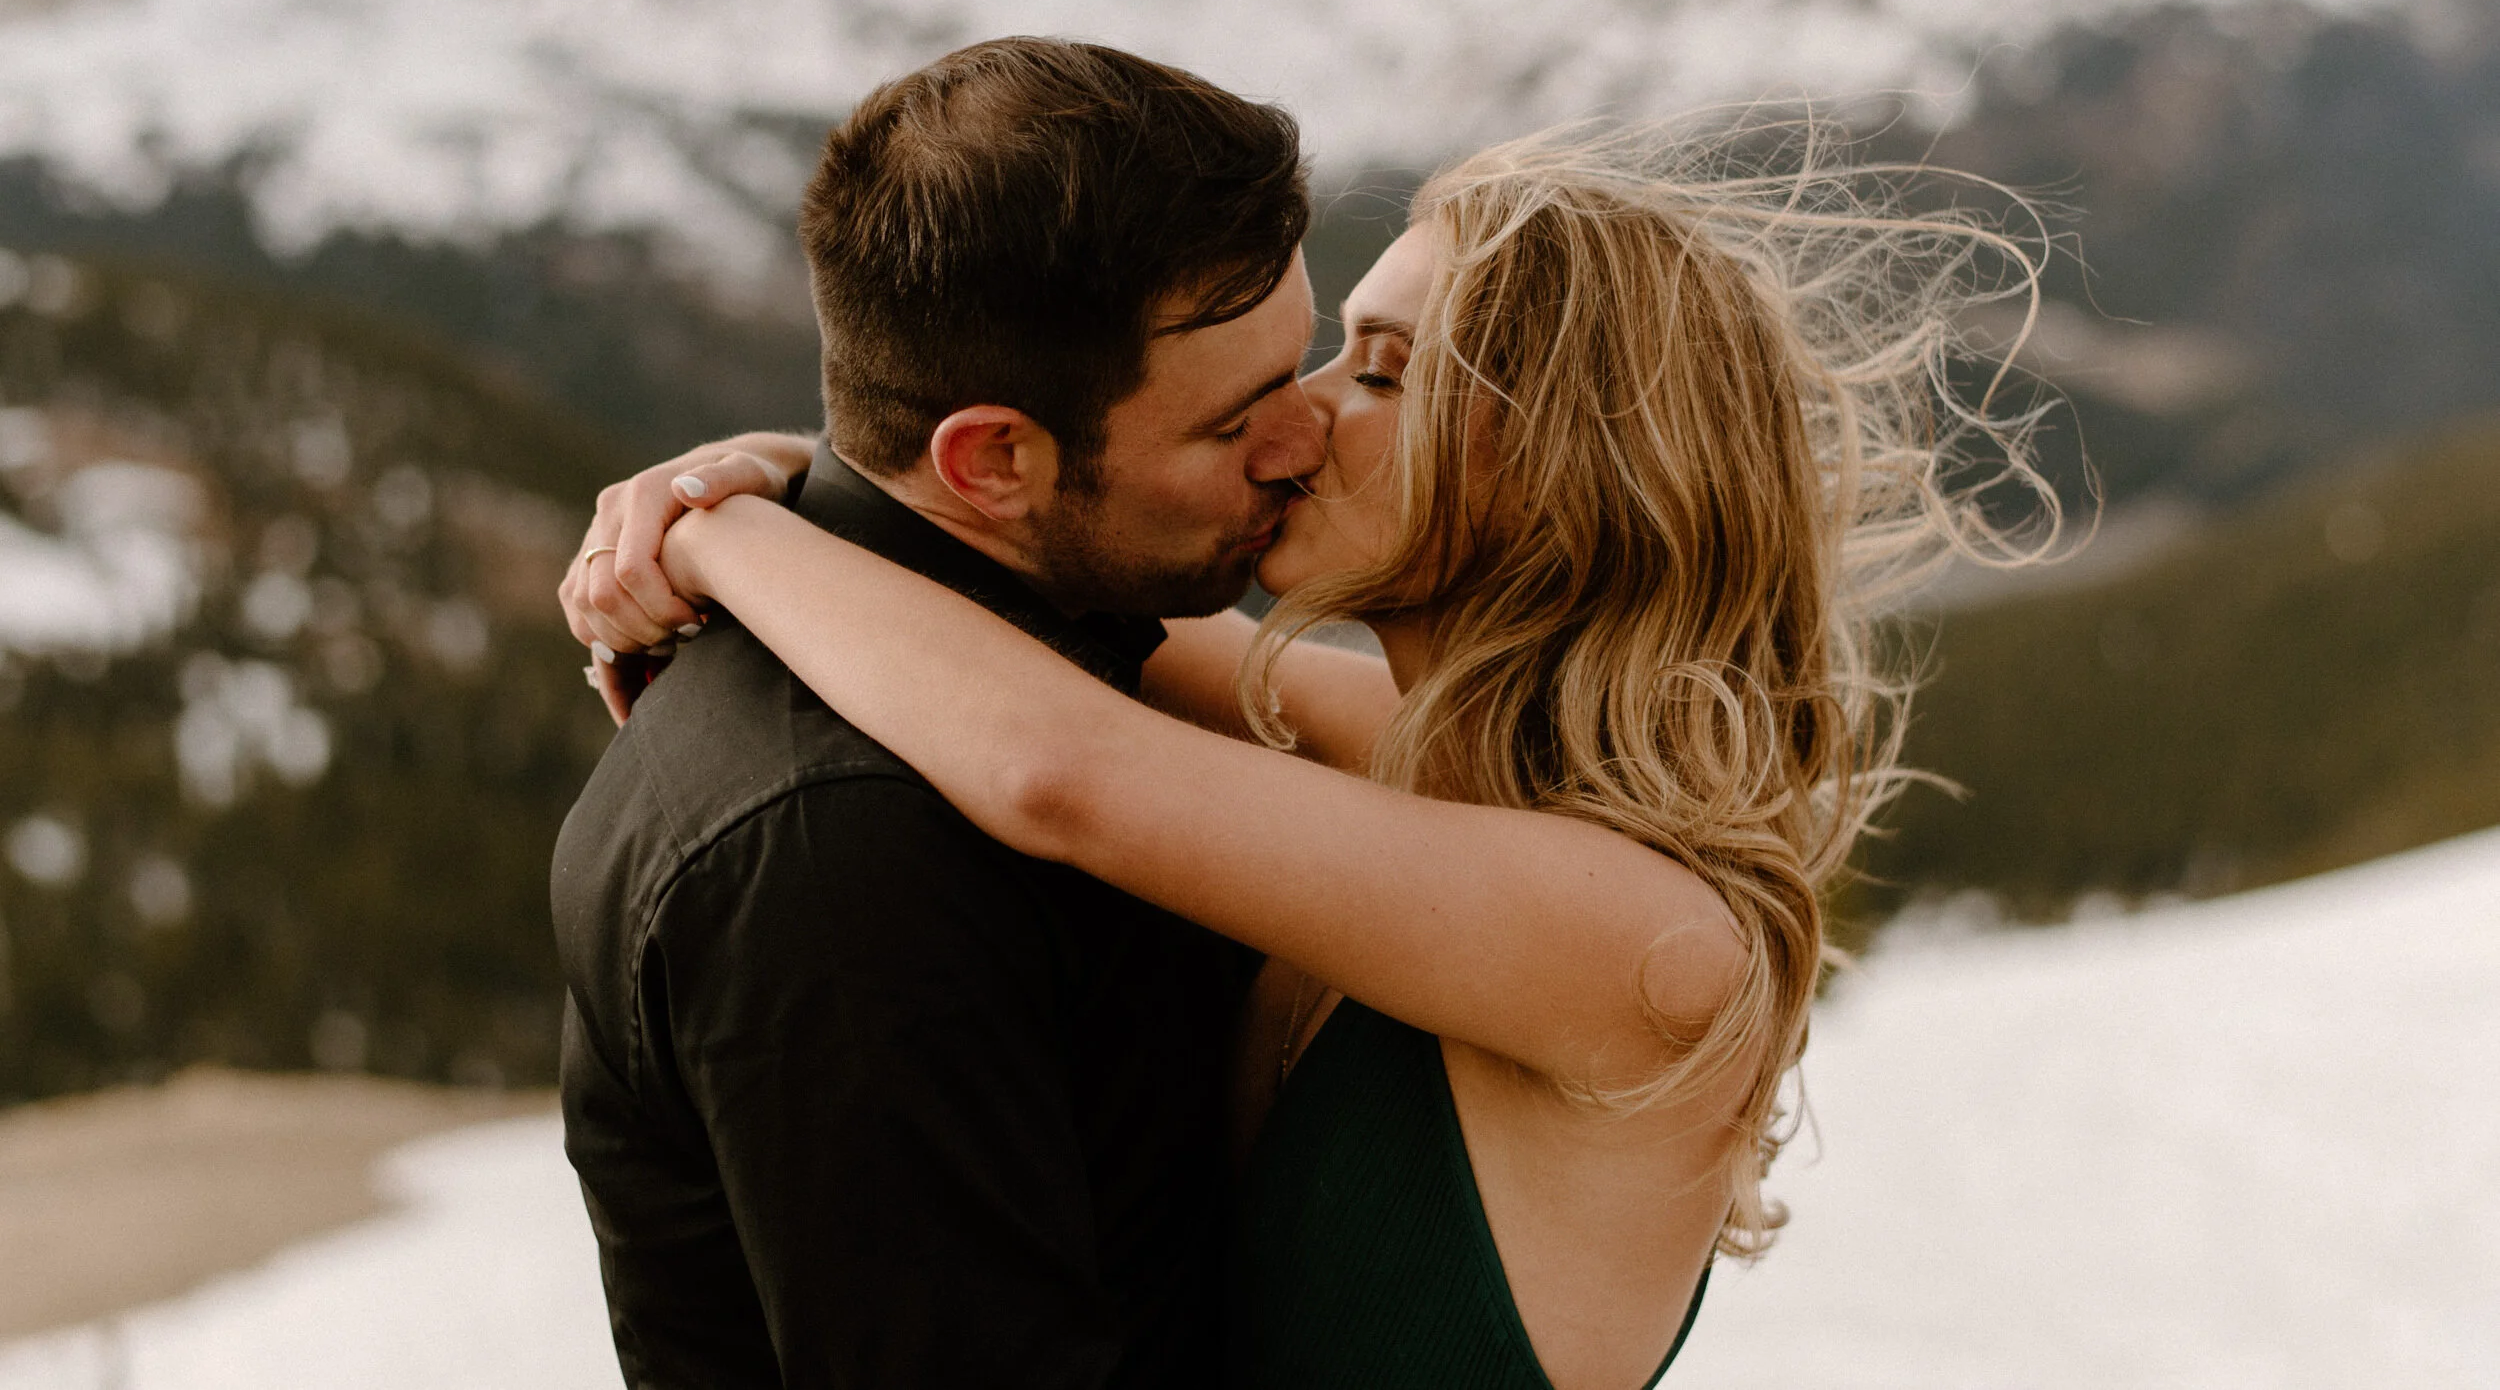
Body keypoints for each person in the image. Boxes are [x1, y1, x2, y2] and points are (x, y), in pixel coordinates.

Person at [569, 126, 2049, 1388]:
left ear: (1557, 478)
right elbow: (1031, 628)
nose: (1297, 421)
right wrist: (788, 470)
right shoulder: (1431, 763)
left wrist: (718, 530)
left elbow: (1055, 763)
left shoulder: (1644, 943)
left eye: (1384, 373)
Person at [549, 36, 1329, 1389]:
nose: (1306, 442)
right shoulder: (841, 853)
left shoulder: (1061, 635)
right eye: (1233, 423)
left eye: (1303, 369)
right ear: (993, 461)